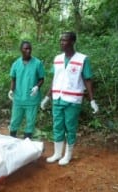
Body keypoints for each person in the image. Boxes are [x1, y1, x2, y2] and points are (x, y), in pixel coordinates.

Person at [40, 32, 99, 166]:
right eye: (60, 40)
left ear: (72, 42)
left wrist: (92, 100)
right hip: (57, 99)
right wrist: (47, 97)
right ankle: (57, 153)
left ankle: (68, 155)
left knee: (70, 128)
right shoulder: (57, 59)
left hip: (73, 100)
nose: (62, 43)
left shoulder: (82, 59)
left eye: (65, 40)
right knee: (57, 126)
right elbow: (54, 80)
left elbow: (87, 80)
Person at [8, 41, 45, 139]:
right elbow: (13, 79)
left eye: (29, 49)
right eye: (26, 49)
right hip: (18, 98)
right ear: (21, 50)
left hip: (31, 98)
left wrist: (37, 87)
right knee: (15, 120)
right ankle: (12, 140)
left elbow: (42, 79)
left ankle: (27, 142)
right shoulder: (16, 64)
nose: (28, 51)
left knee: (30, 122)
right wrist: (11, 90)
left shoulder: (37, 63)